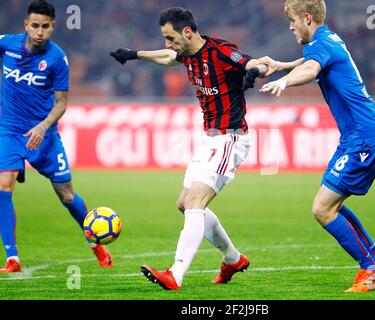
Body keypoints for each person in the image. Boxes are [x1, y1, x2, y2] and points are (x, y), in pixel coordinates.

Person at [111, 7, 268, 290]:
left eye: (170, 37)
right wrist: (135, 55)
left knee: (195, 202)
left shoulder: (219, 51)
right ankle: (232, 258)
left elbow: (256, 62)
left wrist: (253, 71)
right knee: (184, 204)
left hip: (229, 138)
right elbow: (170, 57)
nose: (167, 44)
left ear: (187, 31)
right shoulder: (186, 54)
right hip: (209, 138)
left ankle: (175, 273)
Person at [259, 0, 375, 292]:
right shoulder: (328, 39)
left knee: (323, 209)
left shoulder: (321, 48)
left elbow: (310, 69)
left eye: (293, 20)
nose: (290, 26)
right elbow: (310, 61)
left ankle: (370, 270)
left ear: (307, 18)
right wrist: (282, 65)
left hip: (365, 138)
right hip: (359, 136)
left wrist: (285, 82)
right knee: (331, 203)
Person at [0, 0, 113, 273]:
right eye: (35, 26)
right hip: (9, 130)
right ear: (26, 25)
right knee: (3, 185)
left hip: (44, 135)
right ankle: (12, 257)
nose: (39, 32)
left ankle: (94, 242)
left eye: (45, 27)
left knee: (66, 194)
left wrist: (42, 126)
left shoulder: (57, 59)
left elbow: (61, 103)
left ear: (53, 27)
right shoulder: (7, 44)